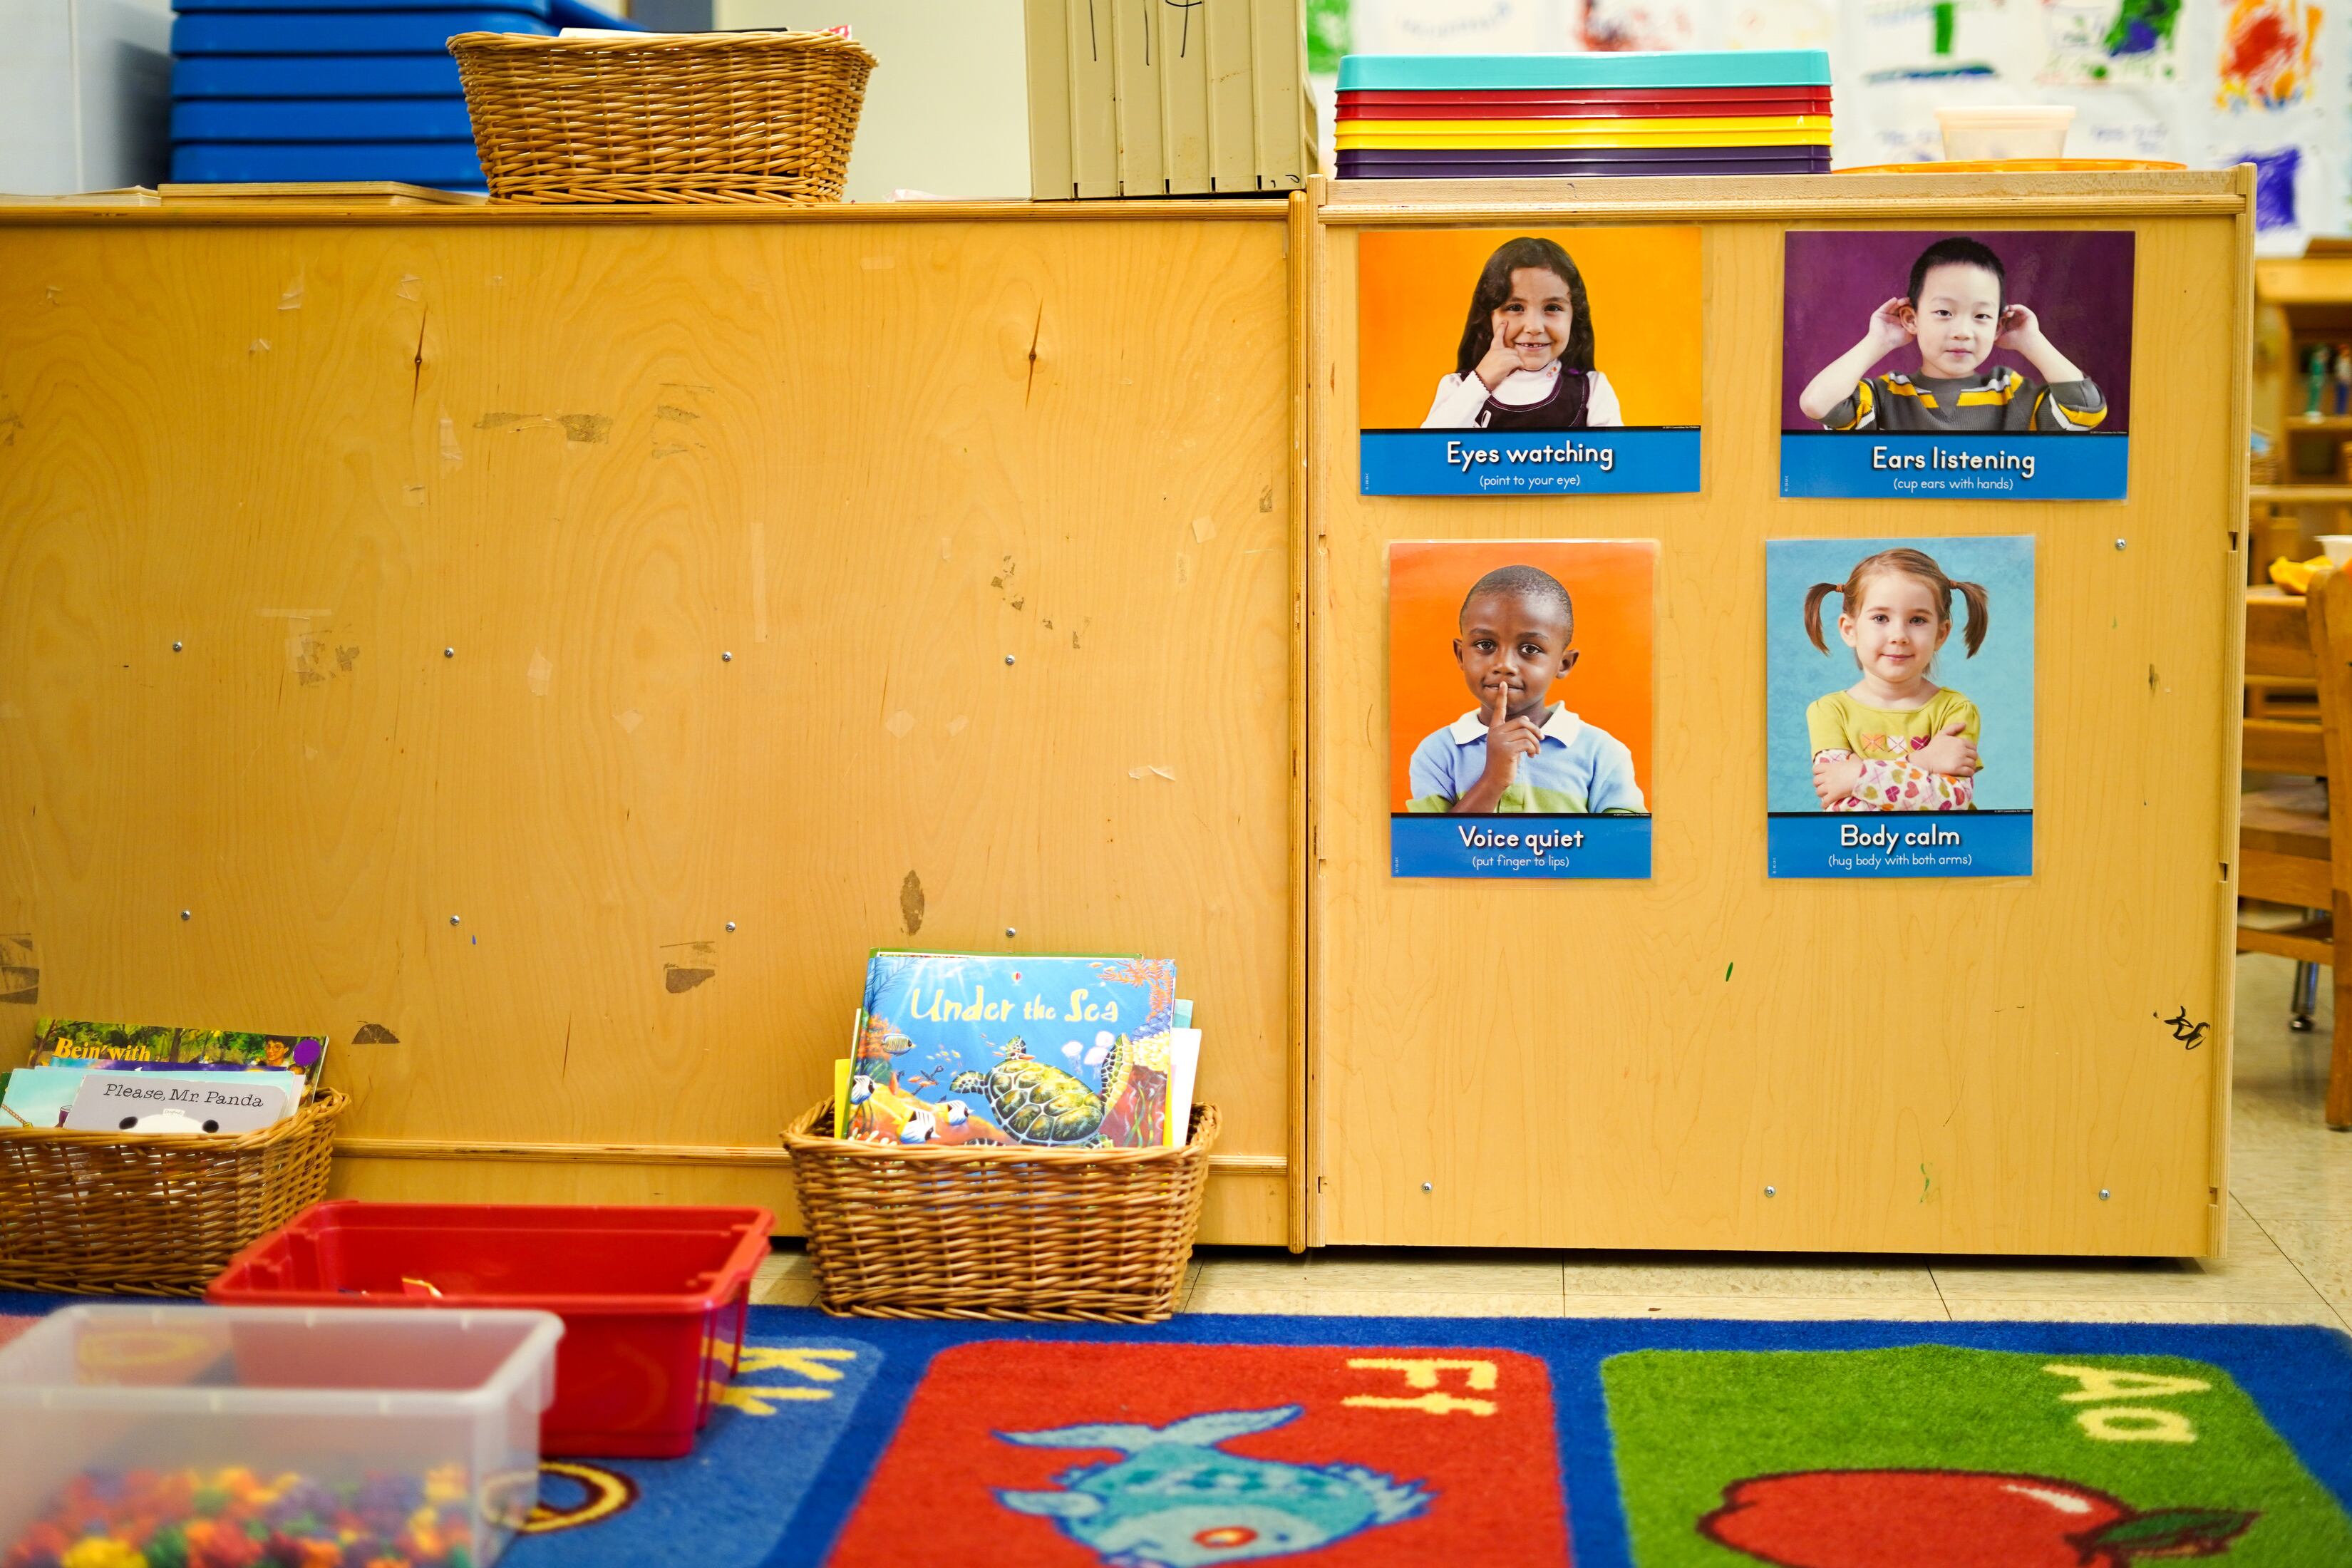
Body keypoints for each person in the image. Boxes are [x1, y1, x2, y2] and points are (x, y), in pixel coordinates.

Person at [1796, 237, 2105, 433]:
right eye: (1944, 313)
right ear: (1911, 319)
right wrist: (1878, 341)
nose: (1962, 333)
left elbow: (2086, 411)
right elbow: (1817, 404)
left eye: (1982, 316)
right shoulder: (1885, 397)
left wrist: (2032, 342)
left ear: (1998, 326)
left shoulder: (2012, 393)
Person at [1406, 564, 1645, 815]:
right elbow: (1432, 849)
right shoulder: (1437, 752)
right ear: (1461, 654)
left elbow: (1624, 846)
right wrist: (1493, 780)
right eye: (1485, 644)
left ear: (1563, 664)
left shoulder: (1602, 752)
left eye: (1530, 649)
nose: (1505, 665)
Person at [1801, 547, 1988, 812]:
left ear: (1941, 634)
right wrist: (1921, 761)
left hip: (1947, 847)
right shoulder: (1829, 713)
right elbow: (1845, 806)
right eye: (1881, 618)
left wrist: (1857, 776)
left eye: (1917, 619)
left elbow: (1952, 801)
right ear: (1849, 629)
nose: (1899, 635)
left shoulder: (1956, 710)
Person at [1420, 236, 1624, 431]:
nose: (1534, 327)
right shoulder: (1458, 387)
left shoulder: (1592, 389)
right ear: (1488, 318)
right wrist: (1480, 383)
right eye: (1516, 307)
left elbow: (1616, 462)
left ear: (1575, 317)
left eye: (1552, 308)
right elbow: (1426, 456)